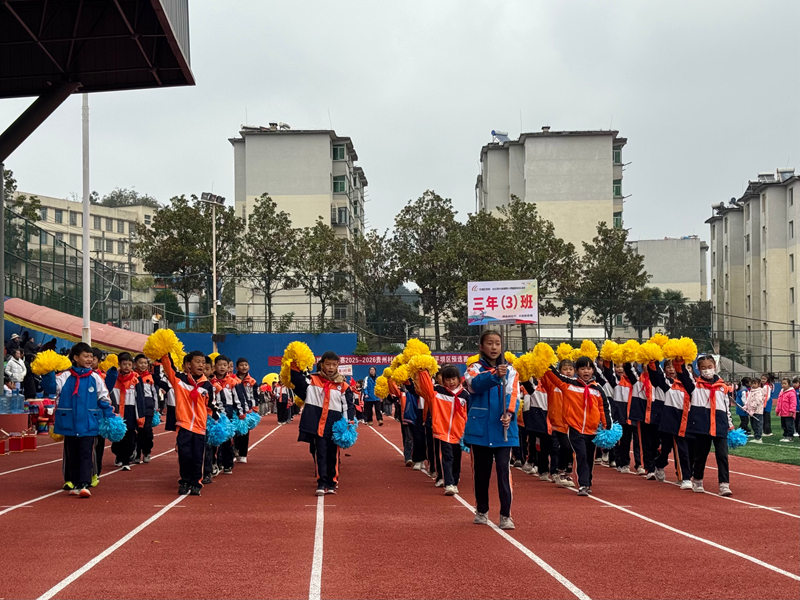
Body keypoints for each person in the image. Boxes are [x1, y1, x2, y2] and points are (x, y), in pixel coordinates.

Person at [464, 331, 519, 530]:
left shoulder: (511, 370)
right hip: (480, 429)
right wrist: (495, 374)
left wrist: (510, 413)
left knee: (504, 471)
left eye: (497, 343)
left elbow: (514, 395)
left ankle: (506, 514)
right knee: (481, 471)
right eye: (490, 343)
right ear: (481, 346)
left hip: (504, 428)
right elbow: (475, 386)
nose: (494, 347)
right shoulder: (473, 368)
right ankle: (482, 510)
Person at [52, 342, 115, 498]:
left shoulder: (95, 377)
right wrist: (47, 373)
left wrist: (110, 415)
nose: (89, 360)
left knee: (86, 453)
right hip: (69, 424)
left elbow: (103, 398)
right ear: (75, 358)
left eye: (91, 357)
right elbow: (52, 388)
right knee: (71, 453)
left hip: (89, 423)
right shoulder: (64, 376)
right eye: (85, 356)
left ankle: (84, 483)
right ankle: (73, 481)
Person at [543, 357, 612, 497]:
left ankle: (588, 481)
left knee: (589, 458)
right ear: (577, 371)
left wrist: (607, 425)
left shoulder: (598, 389)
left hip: (592, 429)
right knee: (581, 455)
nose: (586, 371)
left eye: (588, 368)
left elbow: (604, 408)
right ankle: (584, 484)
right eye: (582, 368)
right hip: (575, 428)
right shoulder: (569, 384)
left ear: (593, 370)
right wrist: (544, 362)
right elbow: (555, 376)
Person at [289, 351, 355, 496]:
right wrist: (295, 361)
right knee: (320, 453)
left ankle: (332, 482)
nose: (331, 367)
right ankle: (321, 482)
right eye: (328, 364)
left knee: (333, 455)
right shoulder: (312, 380)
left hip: (335, 425)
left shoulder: (343, 385)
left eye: (334, 364)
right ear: (322, 364)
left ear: (338, 365)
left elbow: (348, 406)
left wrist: (348, 423)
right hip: (317, 424)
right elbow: (296, 380)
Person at [675, 355, 733, 496]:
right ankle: (698, 479)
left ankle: (724, 484)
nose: (707, 370)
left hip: (719, 425)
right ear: (698, 369)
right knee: (701, 456)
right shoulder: (694, 386)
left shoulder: (722, 387)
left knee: (722, 456)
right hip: (701, 426)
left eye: (709, 367)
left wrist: (730, 425)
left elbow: (726, 408)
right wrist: (679, 362)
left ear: (715, 366)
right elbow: (682, 374)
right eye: (703, 368)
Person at [160, 350, 216, 495]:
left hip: (199, 428)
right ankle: (184, 481)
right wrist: (164, 353)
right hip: (183, 425)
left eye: (203, 362)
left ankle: (196, 482)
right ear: (188, 365)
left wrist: (214, 419)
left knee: (198, 456)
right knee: (184, 455)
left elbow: (211, 406)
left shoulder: (207, 386)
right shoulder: (179, 380)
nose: (201, 365)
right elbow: (168, 368)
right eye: (197, 362)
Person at [416, 364, 467, 495]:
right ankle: (448, 483)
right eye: (448, 379)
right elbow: (425, 386)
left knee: (456, 458)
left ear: (459, 379)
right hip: (442, 431)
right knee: (446, 456)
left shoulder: (465, 395)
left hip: (458, 433)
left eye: (453, 379)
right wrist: (422, 370)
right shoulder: (438, 391)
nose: (451, 382)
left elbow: (469, 413)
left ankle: (455, 481)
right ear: (442, 380)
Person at [648, 360, 693, 489]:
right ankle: (660, 464)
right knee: (666, 449)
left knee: (683, 449)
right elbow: (657, 376)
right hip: (669, 421)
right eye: (669, 367)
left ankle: (684, 477)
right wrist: (653, 361)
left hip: (685, 422)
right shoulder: (668, 384)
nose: (672, 369)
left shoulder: (691, 385)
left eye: (675, 366)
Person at [107, 353, 145, 471]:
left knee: (129, 437)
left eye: (129, 364)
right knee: (117, 440)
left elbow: (140, 398)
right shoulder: (114, 378)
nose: (127, 367)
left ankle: (125, 460)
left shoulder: (136, 379)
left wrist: (140, 417)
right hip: (117, 411)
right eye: (124, 364)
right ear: (119, 364)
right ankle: (118, 455)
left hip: (130, 412)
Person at [210, 355, 247, 475]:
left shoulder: (233, 382)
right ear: (214, 366)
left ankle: (227, 464)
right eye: (219, 365)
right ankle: (214, 463)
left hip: (228, 412)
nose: (222, 367)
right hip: (214, 412)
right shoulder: (210, 381)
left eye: (224, 365)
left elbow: (239, 399)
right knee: (213, 439)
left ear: (228, 367)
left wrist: (241, 413)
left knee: (227, 439)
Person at [133, 354, 157, 464]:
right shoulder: (133, 377)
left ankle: (146, 451)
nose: (143, 365)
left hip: (148, 406)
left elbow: (154, 393)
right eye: (140, 363)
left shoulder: (150, 377)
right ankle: (137, 454)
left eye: (145, 363)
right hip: (136, 405)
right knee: (137, 431)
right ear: (135, 364)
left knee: (147, 431)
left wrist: (156, 407)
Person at [235, 357, 259, 462]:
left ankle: (243, 454)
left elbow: (256, 396)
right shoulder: (233, 380)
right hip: (236, 409)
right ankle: (235, 449)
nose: (244, 367)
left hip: (248, 410)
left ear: (248, 367)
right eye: (241, 365)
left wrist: (254, 408)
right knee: (234, 431)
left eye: (245, 365)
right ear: (236, 367)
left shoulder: (252, 381)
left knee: (245, 432)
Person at [744, 378, 765, 443]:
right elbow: (748, 400)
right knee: (753, 424)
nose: (753, 385)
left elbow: (757, 401)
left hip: (757, 411)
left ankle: (758, 437)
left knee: (758, 424)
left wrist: (753, 409)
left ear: (758, 384)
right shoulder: (751, 391)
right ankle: (756, 436)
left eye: (755, 383)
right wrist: (746, 406)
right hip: (751, 412)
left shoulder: (759, 392)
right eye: (752, 383)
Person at [776, 378, 797, 442]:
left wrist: (792, 410)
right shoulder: (781, 392)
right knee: (784, 425)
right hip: (783, 412)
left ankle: (790, 436)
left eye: (785, 384)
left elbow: (793, 403)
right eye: (782, 384)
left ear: (789, 384)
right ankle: (785, 435)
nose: (783, 385)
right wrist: (777, 410)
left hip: (788, 412)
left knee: (789, 425)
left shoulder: (791, 393)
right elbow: (779, 402)